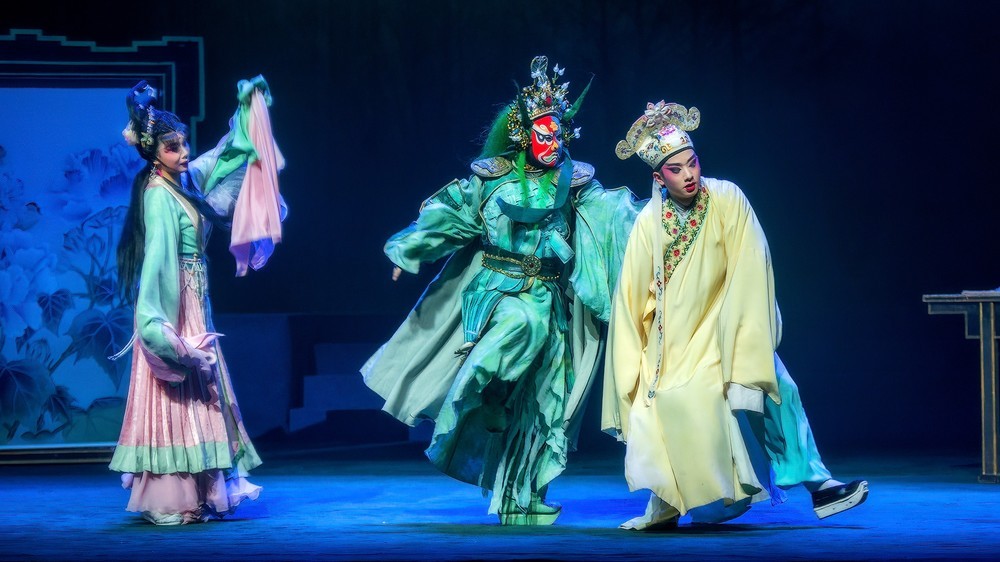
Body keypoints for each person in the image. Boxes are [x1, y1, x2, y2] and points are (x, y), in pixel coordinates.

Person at [362, 56, 639, 525]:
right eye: (543, 134)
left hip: (551, 296)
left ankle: (520, 496)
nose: (553, 143)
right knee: (521, 323)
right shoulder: (492, 180)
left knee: (547, 402)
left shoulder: (574, 183)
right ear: (523, 135)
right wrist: (408, 248)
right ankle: (482, 388)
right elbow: (450, 214)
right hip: (500, 292)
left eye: (558, 135)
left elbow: (615, 216)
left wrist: (654, 222)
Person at [603, 101, 867, 530]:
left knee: (776, 383)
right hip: (675, 345)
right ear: (659, 178)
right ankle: (668, 502)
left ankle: (819, 485)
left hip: (727, 325)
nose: (689, 175)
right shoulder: (648, 225)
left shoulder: (727, 198)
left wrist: (741, 333)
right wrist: (632, 367)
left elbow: (751, 264)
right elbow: (630, 300)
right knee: (668, 401)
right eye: (676, 170)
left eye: (692, 163)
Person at [109, 77, 285, 525]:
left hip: (195, 301)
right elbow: (158, 263)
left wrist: (247, 108)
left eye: (184, 143)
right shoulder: (158, 197)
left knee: (203, 397)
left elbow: (226, 154)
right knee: (180, 393)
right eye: (173, 147)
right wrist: (160, 330)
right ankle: (170, 497)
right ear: (153, 153)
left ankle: (203, 491)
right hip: (173, 305)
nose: (184, 152)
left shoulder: (184, 179)